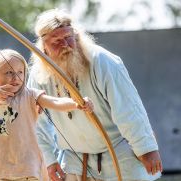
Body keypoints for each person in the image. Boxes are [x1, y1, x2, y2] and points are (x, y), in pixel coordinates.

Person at [27, 9, 163, 181]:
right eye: (57, 41)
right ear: (44, 47)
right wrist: (50, 159)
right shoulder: (39, 76)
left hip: (118, 151)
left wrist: (146, 148)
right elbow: (39, 122)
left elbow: (128, 108)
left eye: (69, 37)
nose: (66, 45)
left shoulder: (102, 61)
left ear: (76, 36)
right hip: (76, 158)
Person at [0, 49, 94, 181]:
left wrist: (77, 103)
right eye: (9, 72)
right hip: (3, 171)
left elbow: (55, 102)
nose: (16, 77)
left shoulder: (30, 96)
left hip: (29, 170)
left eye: (20, 72)